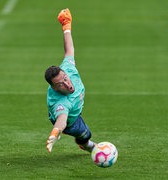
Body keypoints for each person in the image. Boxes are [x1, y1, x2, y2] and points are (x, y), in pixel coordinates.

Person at [44, 8, 96, 153]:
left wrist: (66, 27)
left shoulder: (68, 70)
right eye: (61, 84)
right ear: (54, 88)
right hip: (70, 122)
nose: (67, 84)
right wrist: (55, 132)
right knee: (85, 134)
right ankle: (88, 146)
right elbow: (62, 120)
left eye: (65, 79)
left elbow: (69, 51)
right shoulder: (61, 103)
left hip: (74, 108)